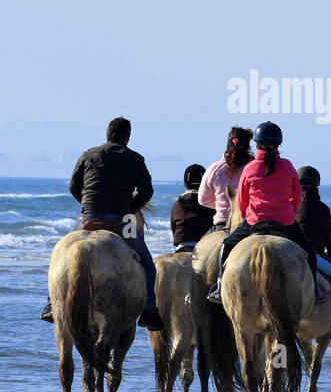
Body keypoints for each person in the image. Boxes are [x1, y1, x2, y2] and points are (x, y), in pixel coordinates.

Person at [207, 122, 331, 327]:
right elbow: (296, 196)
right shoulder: (288, 166)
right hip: (284, 222)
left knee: (227, 245)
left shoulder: (249, 168)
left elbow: (241, 202)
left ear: (256, 144)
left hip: (254, 221)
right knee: (309, 250)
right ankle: (316, 290)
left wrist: (252, 215)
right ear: (278, 145)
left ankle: (219, 286)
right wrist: (288, 215)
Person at [39, 116, 163, 331]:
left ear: (107, 134)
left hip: (90, 217)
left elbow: (73, 186)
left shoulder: (88, 154)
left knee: (60, 254)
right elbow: (147, 191)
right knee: (147, 262)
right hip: (120, 220)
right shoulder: (135, 159)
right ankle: (150, 311)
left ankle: (51, 304)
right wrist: (131, 208)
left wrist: (87, 207)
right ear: (127, 137)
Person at [295, 165, 331, 326]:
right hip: (313, 255)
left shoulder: (290, 205)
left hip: (292, 253)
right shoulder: (322, 208)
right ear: (316, 185)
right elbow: (330, 239)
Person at [198, 127, 254, 230]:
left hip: (223, 222)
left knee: (199, 245)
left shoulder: (214, 169)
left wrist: (222, 205)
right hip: (249, 223)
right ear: (248, 147)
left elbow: (203, 200)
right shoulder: (255, 168)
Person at [170, 165, 215, 251]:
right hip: (204, 246)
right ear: (204, 182)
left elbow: (173, 229)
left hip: (182, 246)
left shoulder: (176, 205)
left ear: (185, 184)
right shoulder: (209, 203)